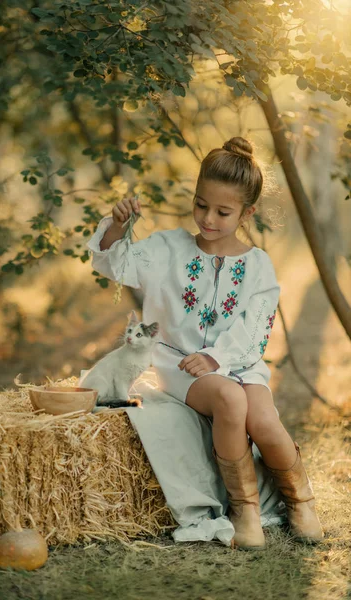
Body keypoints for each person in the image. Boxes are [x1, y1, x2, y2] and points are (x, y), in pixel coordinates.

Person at [86, 136, 324, 550]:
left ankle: (301, 502)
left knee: (265, 422)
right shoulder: (167, 248)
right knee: (230, 401)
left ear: (247, 213)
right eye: (201, 205)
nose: (208, 218)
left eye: (222, 211)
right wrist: (119, 226)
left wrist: (216, 357)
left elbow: (256, 330)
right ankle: (244, 509)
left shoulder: (258, 267)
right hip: (177, 363)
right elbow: (115, 263)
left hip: (239, 361)